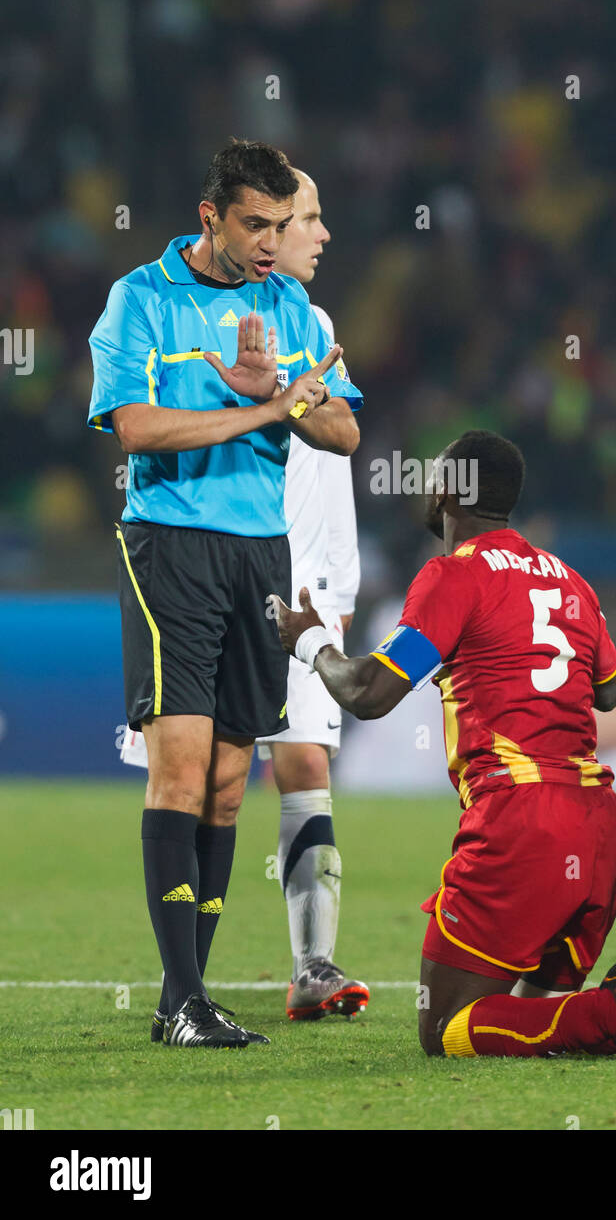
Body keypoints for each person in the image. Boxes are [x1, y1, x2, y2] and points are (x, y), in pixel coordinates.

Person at [273, 430, 616, 1065]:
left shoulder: (452, 577)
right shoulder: (572, 581)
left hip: (520, 825)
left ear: (446, 491)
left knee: (445, 1026)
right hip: (598, 828)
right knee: (539, 1018)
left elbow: (368, 692)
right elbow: (612, 691)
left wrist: (308, 642)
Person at [88, 140, 362, 1048]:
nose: (271, 243)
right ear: (210, 217)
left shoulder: (292, 308)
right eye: (256, 224)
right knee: (181, 761)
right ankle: (178, 1002)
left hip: (261, 558)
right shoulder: (142, 299)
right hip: (169, 544)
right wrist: (258, 408)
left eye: (282, 226)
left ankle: (192, 995)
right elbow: (138, 429)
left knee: (233, 782)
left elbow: (345, 430)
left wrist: (281, 385)